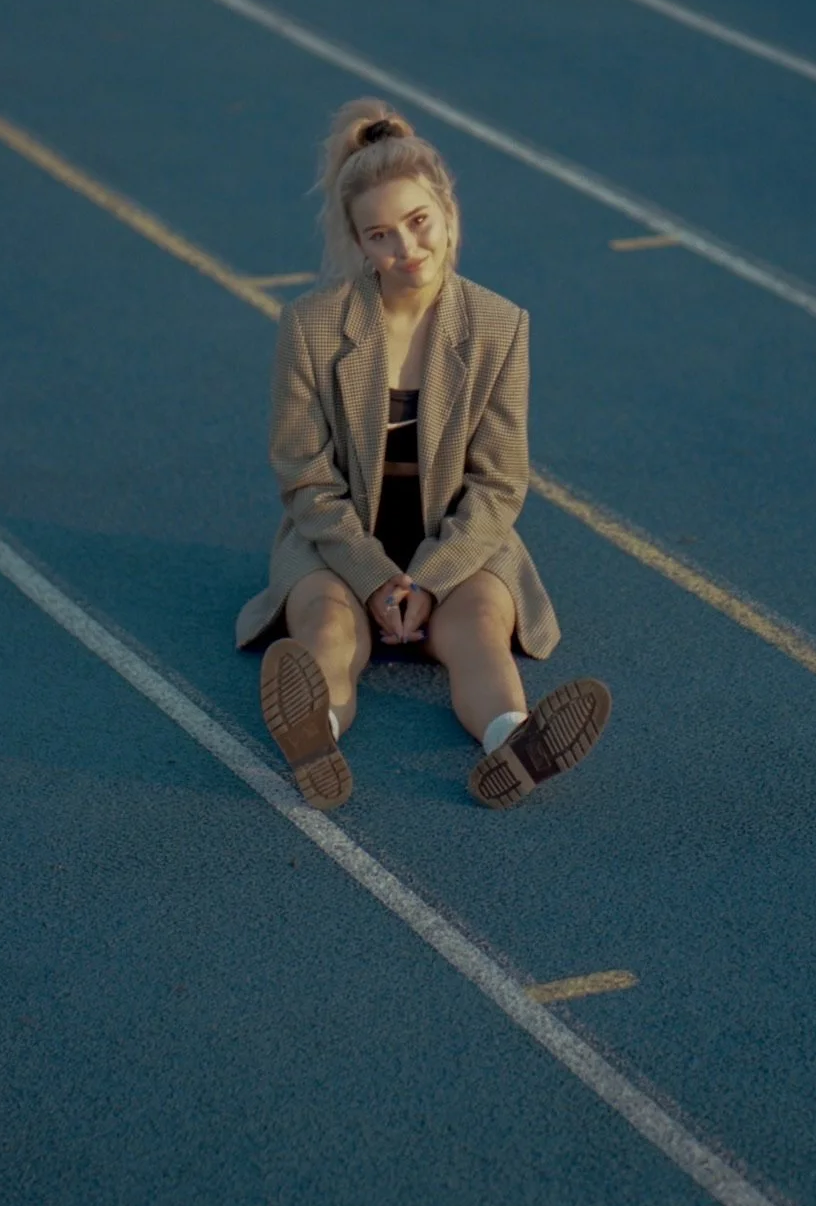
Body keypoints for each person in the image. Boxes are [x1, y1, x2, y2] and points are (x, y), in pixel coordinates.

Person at [236, 98, 610, 810]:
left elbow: (498, 483)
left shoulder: (499, 327)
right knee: (328, 624)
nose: (405, 249)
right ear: (357, 244)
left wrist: (430, 580)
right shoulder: (311, 328)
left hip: (460, 541)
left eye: (417, 224)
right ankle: (316, 736)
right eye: (380, 236)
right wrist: (376, 578)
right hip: (338, 541)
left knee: (474, 631)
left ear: (448, 216)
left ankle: (513, 739)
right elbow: (306, 478)